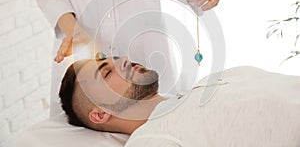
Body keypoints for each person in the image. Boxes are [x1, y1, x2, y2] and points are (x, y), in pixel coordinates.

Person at [32, 0, 224, 116]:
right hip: (82, 50)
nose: (122, 63)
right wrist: (75, 31)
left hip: (145, 46)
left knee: (163, 125)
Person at [59, 56, 300, 146]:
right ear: (100, 114)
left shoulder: (212, 81)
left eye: (115, 57)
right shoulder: (152, 140)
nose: (124, 60)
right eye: (107, 72)